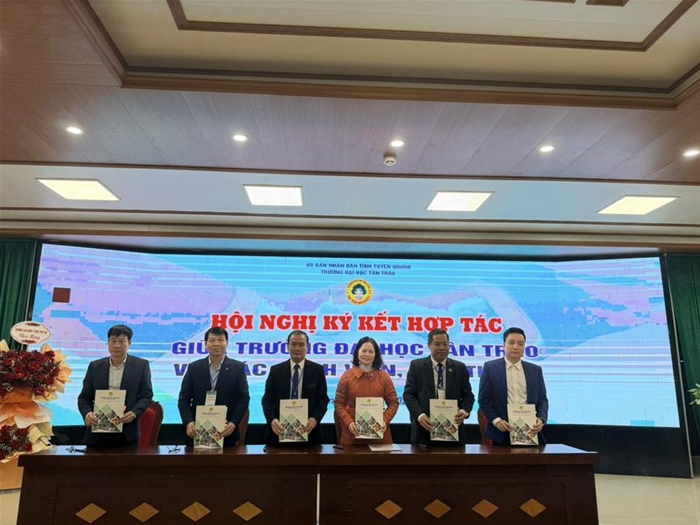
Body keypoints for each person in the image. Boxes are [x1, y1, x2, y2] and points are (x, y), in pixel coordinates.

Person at [78, 324, 153, 447]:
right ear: (108, 343)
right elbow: (83, 398)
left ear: (129, 343)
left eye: (121, 341)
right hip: (97, 432)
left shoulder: (141, 365)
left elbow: (147, 395)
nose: (117, 345)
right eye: (113, 341)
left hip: (127, 431)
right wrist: (87, 414)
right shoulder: (94, 366)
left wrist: (134, 413)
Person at [177, 327, 250, 447]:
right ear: (205, 344)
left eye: (220, 340)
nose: (216, 344)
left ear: (227, 343)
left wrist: (233, 423)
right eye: (212, 340)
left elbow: (244, 398)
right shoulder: (194, 368)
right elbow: (183, 399)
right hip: (197, 432)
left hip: (226, 433)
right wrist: (189, 422)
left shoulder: (238, 368)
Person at [478, 327, 549, 445]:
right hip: (502, 431)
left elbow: (542, 399)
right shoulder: (490, 368)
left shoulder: (535, 370)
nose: (515, 347)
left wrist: (541, 419)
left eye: (520, 344)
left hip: (530, 431)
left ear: (524, 346)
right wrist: (496, 421)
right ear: (503, 345)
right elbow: (483, 400)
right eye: (511, 342)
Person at [403, 329, 474, 446]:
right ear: (429, 345)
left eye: (445, 344)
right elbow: (409, 395)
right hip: (424, 429)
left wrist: (464, 411)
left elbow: (468, 396)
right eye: (437, 344)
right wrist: (420, 416)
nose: (442, 348)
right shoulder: (417, 366)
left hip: (453, 429)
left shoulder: (459, 367)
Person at [262, 330, 329, 445]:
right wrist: (272, 420)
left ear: (307, 347)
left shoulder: (317, 370)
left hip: (309, 432)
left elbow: (323, 400)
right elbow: (266, 400)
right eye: (293, 344)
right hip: (279, 432)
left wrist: (315, 419)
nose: (297, 348)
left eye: (301, 344)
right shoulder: (276, 371)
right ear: (287, 346)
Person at [334, 336, 399, 446]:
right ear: (357, 352)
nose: (367, 354)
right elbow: (339, 404)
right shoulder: (347, 377)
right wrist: (349, 422)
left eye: (371, 351)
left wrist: (384, 420)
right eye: (364, 351)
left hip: (379, 434)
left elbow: (393, 403)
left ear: (376, 355)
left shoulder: (384, 377)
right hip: (352, 434)